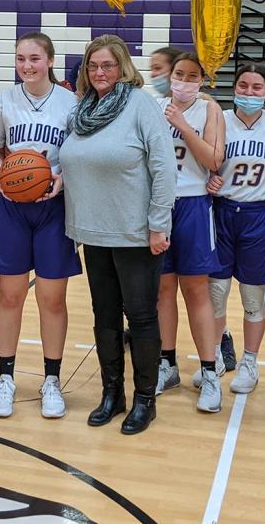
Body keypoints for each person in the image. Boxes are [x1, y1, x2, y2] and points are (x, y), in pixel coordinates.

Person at [59, 34, 175, 435]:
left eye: (107, 65)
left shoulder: (139, 104)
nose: (99, 73)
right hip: (93, 230)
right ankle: (113, 394)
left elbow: (164, 167)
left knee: (140, 316)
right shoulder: (83, 109)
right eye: (92, 66)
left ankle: (146, 399)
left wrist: (160, 223)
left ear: (122, 67)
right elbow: (73, 161)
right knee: (104, 316)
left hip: (135, 231)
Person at [0, 33, 81, 419]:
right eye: (21, 59)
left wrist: (60, 175)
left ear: (50, 60)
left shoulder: (71, 102)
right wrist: (2, 176)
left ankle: (52, 380)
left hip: (54, 207)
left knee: (51, 298)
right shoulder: (2, 101)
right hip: (10, 208)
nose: (27, 66)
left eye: (35, 58)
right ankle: (6, 379)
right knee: (9, 295)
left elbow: (78, 153)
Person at [155, 53, 226, 413]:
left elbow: (214, 161)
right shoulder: (153, 107)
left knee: (196, 290)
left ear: (202, 80)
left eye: (191, 76)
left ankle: (210, 370)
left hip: (194, 205)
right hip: (158, 207)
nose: (183, 81)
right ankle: (167, 364)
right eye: (178, 74)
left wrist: (182, 125)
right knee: (162, 290)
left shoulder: (209, 111)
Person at [206, 64, 265, 396]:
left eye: (256, 88)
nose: (249, 93)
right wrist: (207, 178)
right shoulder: (219, 119)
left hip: (260, 216)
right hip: (221, 213)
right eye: (243, 86)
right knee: (216, 294)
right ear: (234, 88)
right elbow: (204, 160)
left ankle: (250, 362)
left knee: (252, 298)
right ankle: (215, 358)